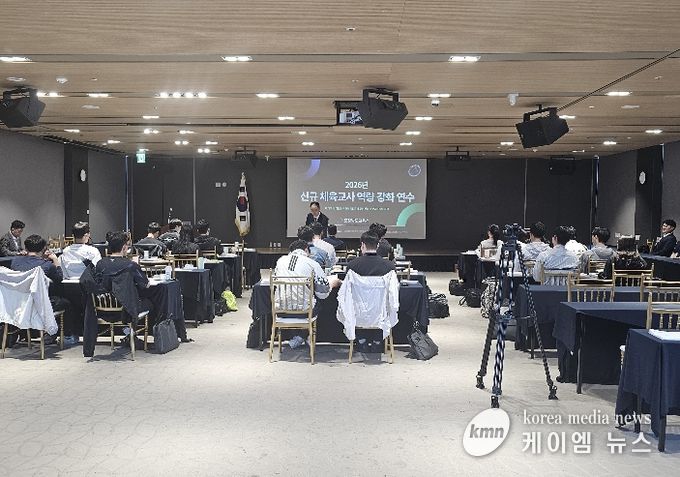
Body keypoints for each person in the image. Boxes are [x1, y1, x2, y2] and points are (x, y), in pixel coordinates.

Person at [11, 234, 77, 346]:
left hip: (19, 305)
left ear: (25, 248)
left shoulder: (15, 262)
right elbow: (59, 278)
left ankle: (28, 335)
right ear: (43, 249)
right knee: (66, 304)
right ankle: (65, 336)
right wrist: (55, 259)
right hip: (40, 307)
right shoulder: (47, 265)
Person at [273, 239, 341, 348]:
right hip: (304, 312)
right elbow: (323, 293)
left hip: (280, 311)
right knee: (319, 302)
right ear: (306, 250)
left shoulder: (280, 261)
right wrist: (332, 284)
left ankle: (300, 336)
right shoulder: (312, 263)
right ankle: (303, 335)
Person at [346, 231, 396, 352]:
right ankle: (378, 341)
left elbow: (347, 293)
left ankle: (361, 341)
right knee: (383, 309)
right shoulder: (389, 267)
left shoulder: (352, 266)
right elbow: (394, 293)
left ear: (362, 245)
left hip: (358, 314)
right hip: (381, 314)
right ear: (377, 245)